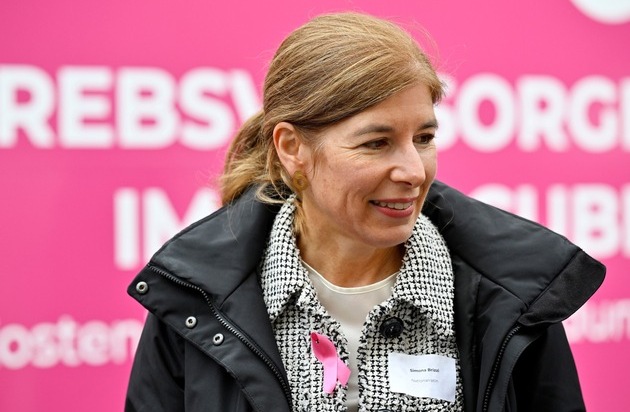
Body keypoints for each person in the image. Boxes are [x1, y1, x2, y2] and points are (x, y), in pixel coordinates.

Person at [125, 12, 605, 412]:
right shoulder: (198, 296)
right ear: (292, 148)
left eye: (424, 138)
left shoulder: (512, 293)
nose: (414, 171)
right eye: (377, 143)